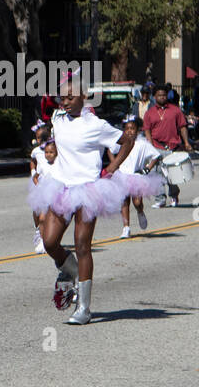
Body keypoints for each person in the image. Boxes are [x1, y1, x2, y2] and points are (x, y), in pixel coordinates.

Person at [28, 74, 132, 325]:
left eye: (70, 97)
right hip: (62, 188)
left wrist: (112, 169)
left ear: (84, 97)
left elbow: (127, 141)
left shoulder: (96, 125)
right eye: (62, 97)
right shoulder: (58, 119)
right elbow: (47, 110)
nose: (65, 101)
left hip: (87, 189)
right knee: (50, 241)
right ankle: (71, 270)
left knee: (82, 244)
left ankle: (84, 307)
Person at [111, 117, 164, 238]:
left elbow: (156, 155)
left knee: (137, 202)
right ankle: (126, 228)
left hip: (136, 176)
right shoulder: (120, 143)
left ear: (138, 130)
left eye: (132, 128)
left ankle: (140, 211)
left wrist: (148, 168)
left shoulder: (142, 144)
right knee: (124, 202)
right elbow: (110, 150)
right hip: (122, 175)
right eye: (127, 129)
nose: (130, 131)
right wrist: (114, 164)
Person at [142, 87, 191, 207]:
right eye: (159, 95)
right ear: (154, 97)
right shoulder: (150, 113)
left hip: (172, 147)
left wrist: (186, 142)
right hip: (156, 147)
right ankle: (160, 199)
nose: (162, 97)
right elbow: (147, 129)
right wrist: (150, 145)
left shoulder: (175, 110)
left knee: (171, 174)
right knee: (156, 174)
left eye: (164, 95)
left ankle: (174, 196)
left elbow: (183, 126)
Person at [28, 125, 57, 253]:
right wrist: (33, 173)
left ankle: (45, 238)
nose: (40, 140)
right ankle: (39, 232)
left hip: (52, 185)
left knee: (45, 216)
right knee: (36, 210)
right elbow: (33, 161)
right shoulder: (36, 151)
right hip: (39, 184)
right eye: (38, 138)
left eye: (42, 138)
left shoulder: (53, 149)